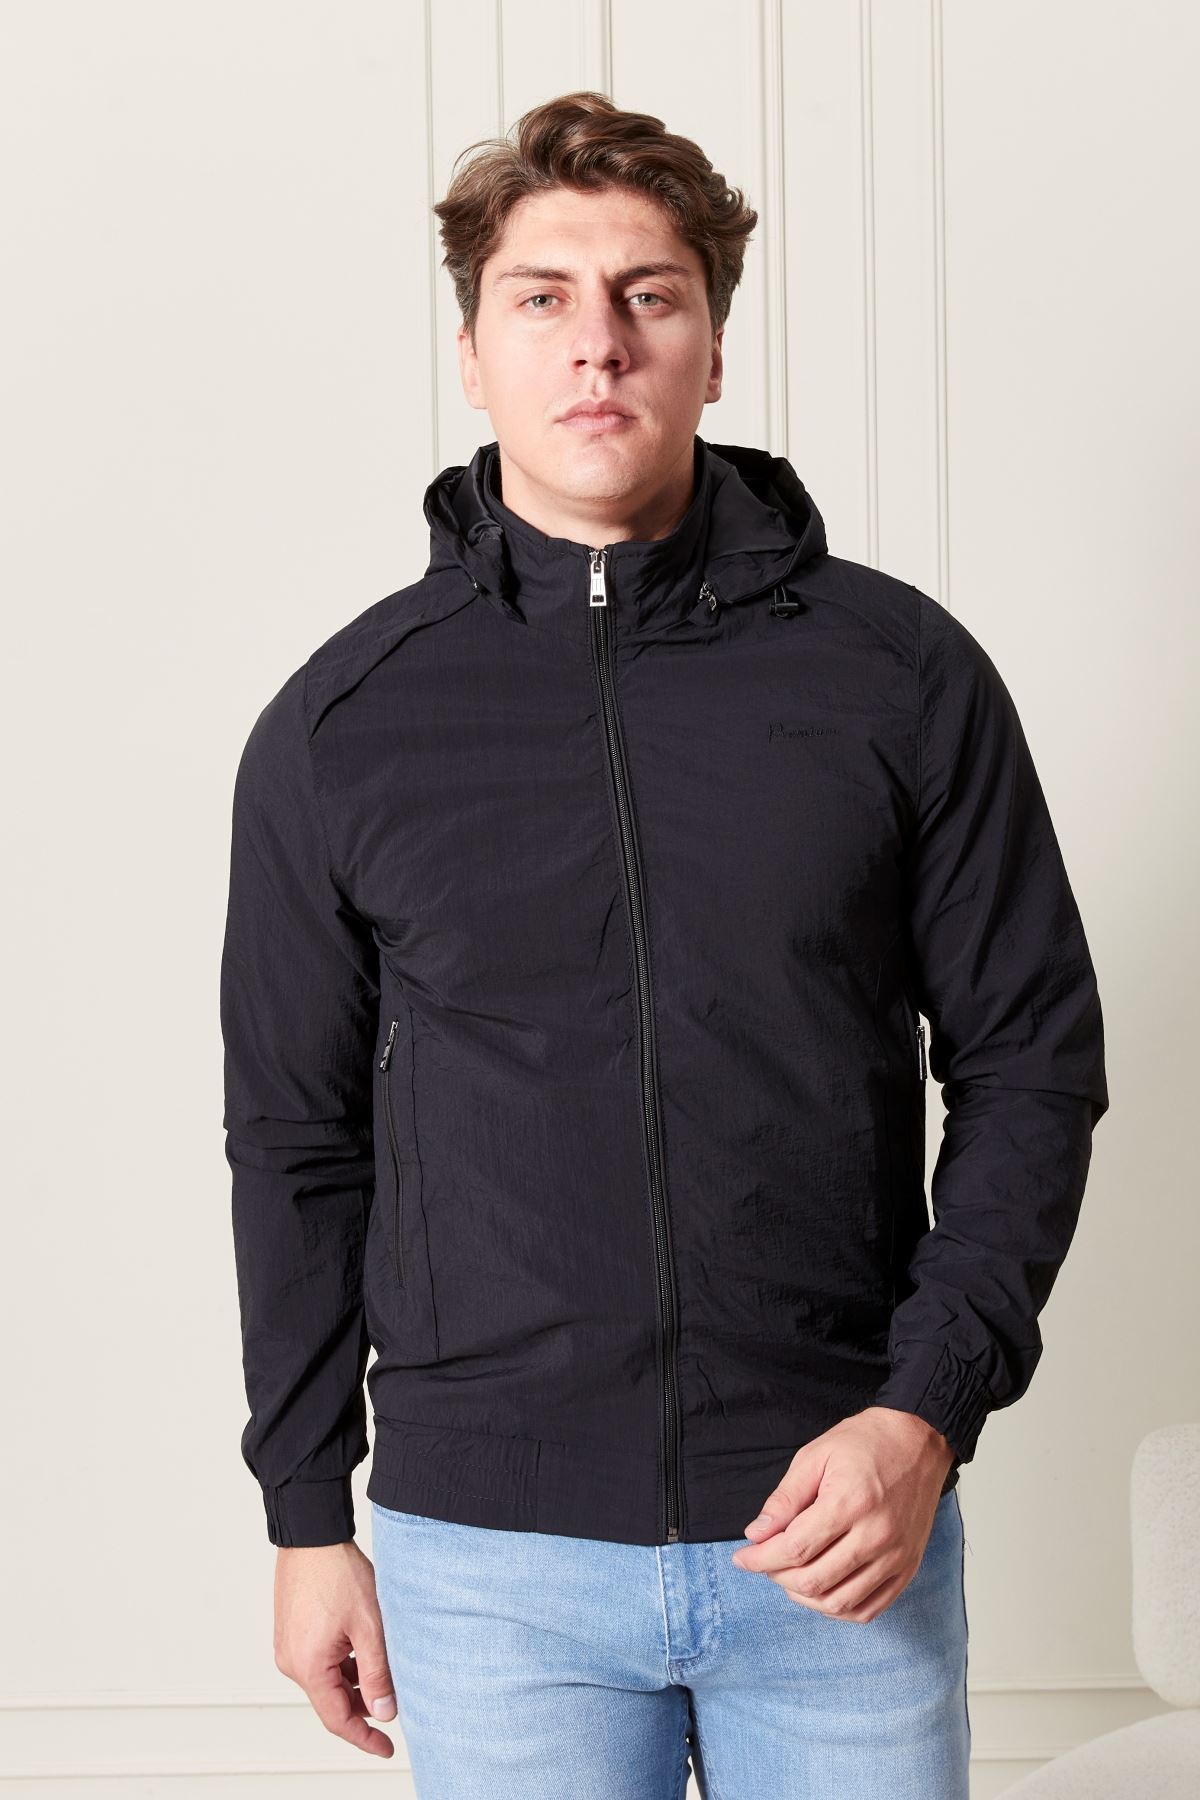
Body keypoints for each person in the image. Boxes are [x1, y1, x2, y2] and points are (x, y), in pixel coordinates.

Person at [220, 90, 1108, 1797]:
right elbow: (295, 1139)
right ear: (472, 351)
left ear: (712, 345)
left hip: (840, 1526)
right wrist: (305, 1514)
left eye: (650, 295)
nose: (597, 342)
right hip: (493, 1565)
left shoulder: (900, 677)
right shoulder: (344, 724)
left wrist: (924, 1412)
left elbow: (1031, 1068)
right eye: (541, 297)